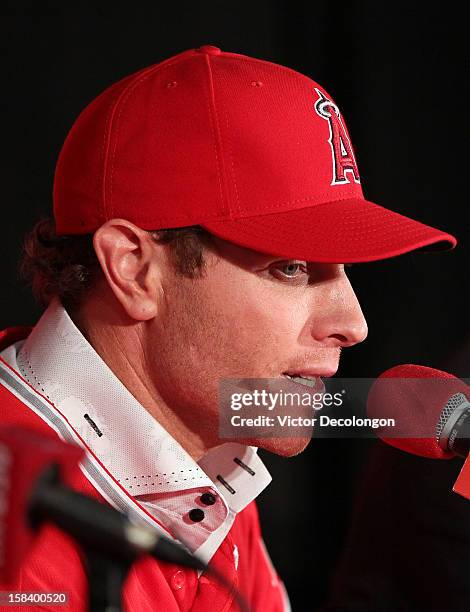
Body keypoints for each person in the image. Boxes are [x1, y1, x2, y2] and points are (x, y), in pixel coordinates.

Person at [0, 44, 456, 611]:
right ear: (134, 269)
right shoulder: (16, 537)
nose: (353, 324)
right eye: (290, 268)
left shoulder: (203, 455)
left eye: (343, 270)